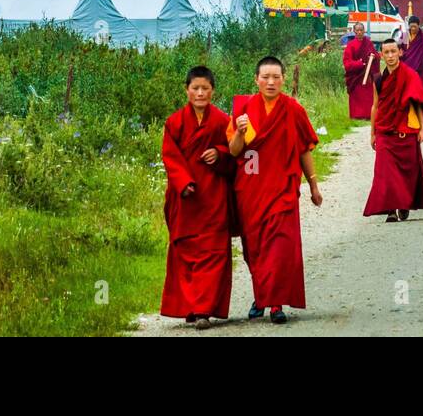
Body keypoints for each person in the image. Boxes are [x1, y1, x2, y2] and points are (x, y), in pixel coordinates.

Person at [227, 56, 323, 325]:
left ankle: (276, 303)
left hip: (282, 190)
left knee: (279, 247)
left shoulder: (293, 110)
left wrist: (314, 185)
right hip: (251, 191)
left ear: (283, 79)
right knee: (254, 250)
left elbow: (304, 149)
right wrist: (239, 132)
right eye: (265, 77)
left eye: (276, 77)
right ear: (256, 79)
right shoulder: (243, 109)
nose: (271, 82)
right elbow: (234, 152)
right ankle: (262, 296)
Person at [160, 66, 234, 329]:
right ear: (187, 90)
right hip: (186, 198)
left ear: (213, 90)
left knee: (214, 253)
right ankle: (191, 307)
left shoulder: (223, 120)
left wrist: (219, 153)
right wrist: (183, 182)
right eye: (195, 88)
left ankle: (204, 309)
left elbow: (234, 154)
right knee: (186, 252)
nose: (200, 93)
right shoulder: (174, 122)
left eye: (205, 88)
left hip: (214, 196)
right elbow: (170, 157)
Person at [364, 38, 423, 223]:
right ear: (381, 55)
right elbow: (375, 107)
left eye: (393, 51)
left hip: (406, 131)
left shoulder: (410, 75)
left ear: (400, 53)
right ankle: (391, 210)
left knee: (407, 172)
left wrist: (421, 128)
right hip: (385, 132)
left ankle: (404, 204)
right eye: (386, 52)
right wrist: (372, 133)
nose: (390, 56)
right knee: (385, 173)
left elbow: (418, 103)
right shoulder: (378, 79)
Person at [342, 21, 378, 121]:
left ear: (364, 31)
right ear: (354, 31)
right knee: (357, 96)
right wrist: (359, 63)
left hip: (367, 75)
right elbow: (347, 63)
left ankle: (368, 115)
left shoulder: (368, 43)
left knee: (367, 96)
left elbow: (377, 55)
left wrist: (374, 57)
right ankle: (356, 115)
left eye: (361, 30)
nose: (359, 32)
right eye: (357, 30)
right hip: (356, 76)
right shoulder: (351, 45)